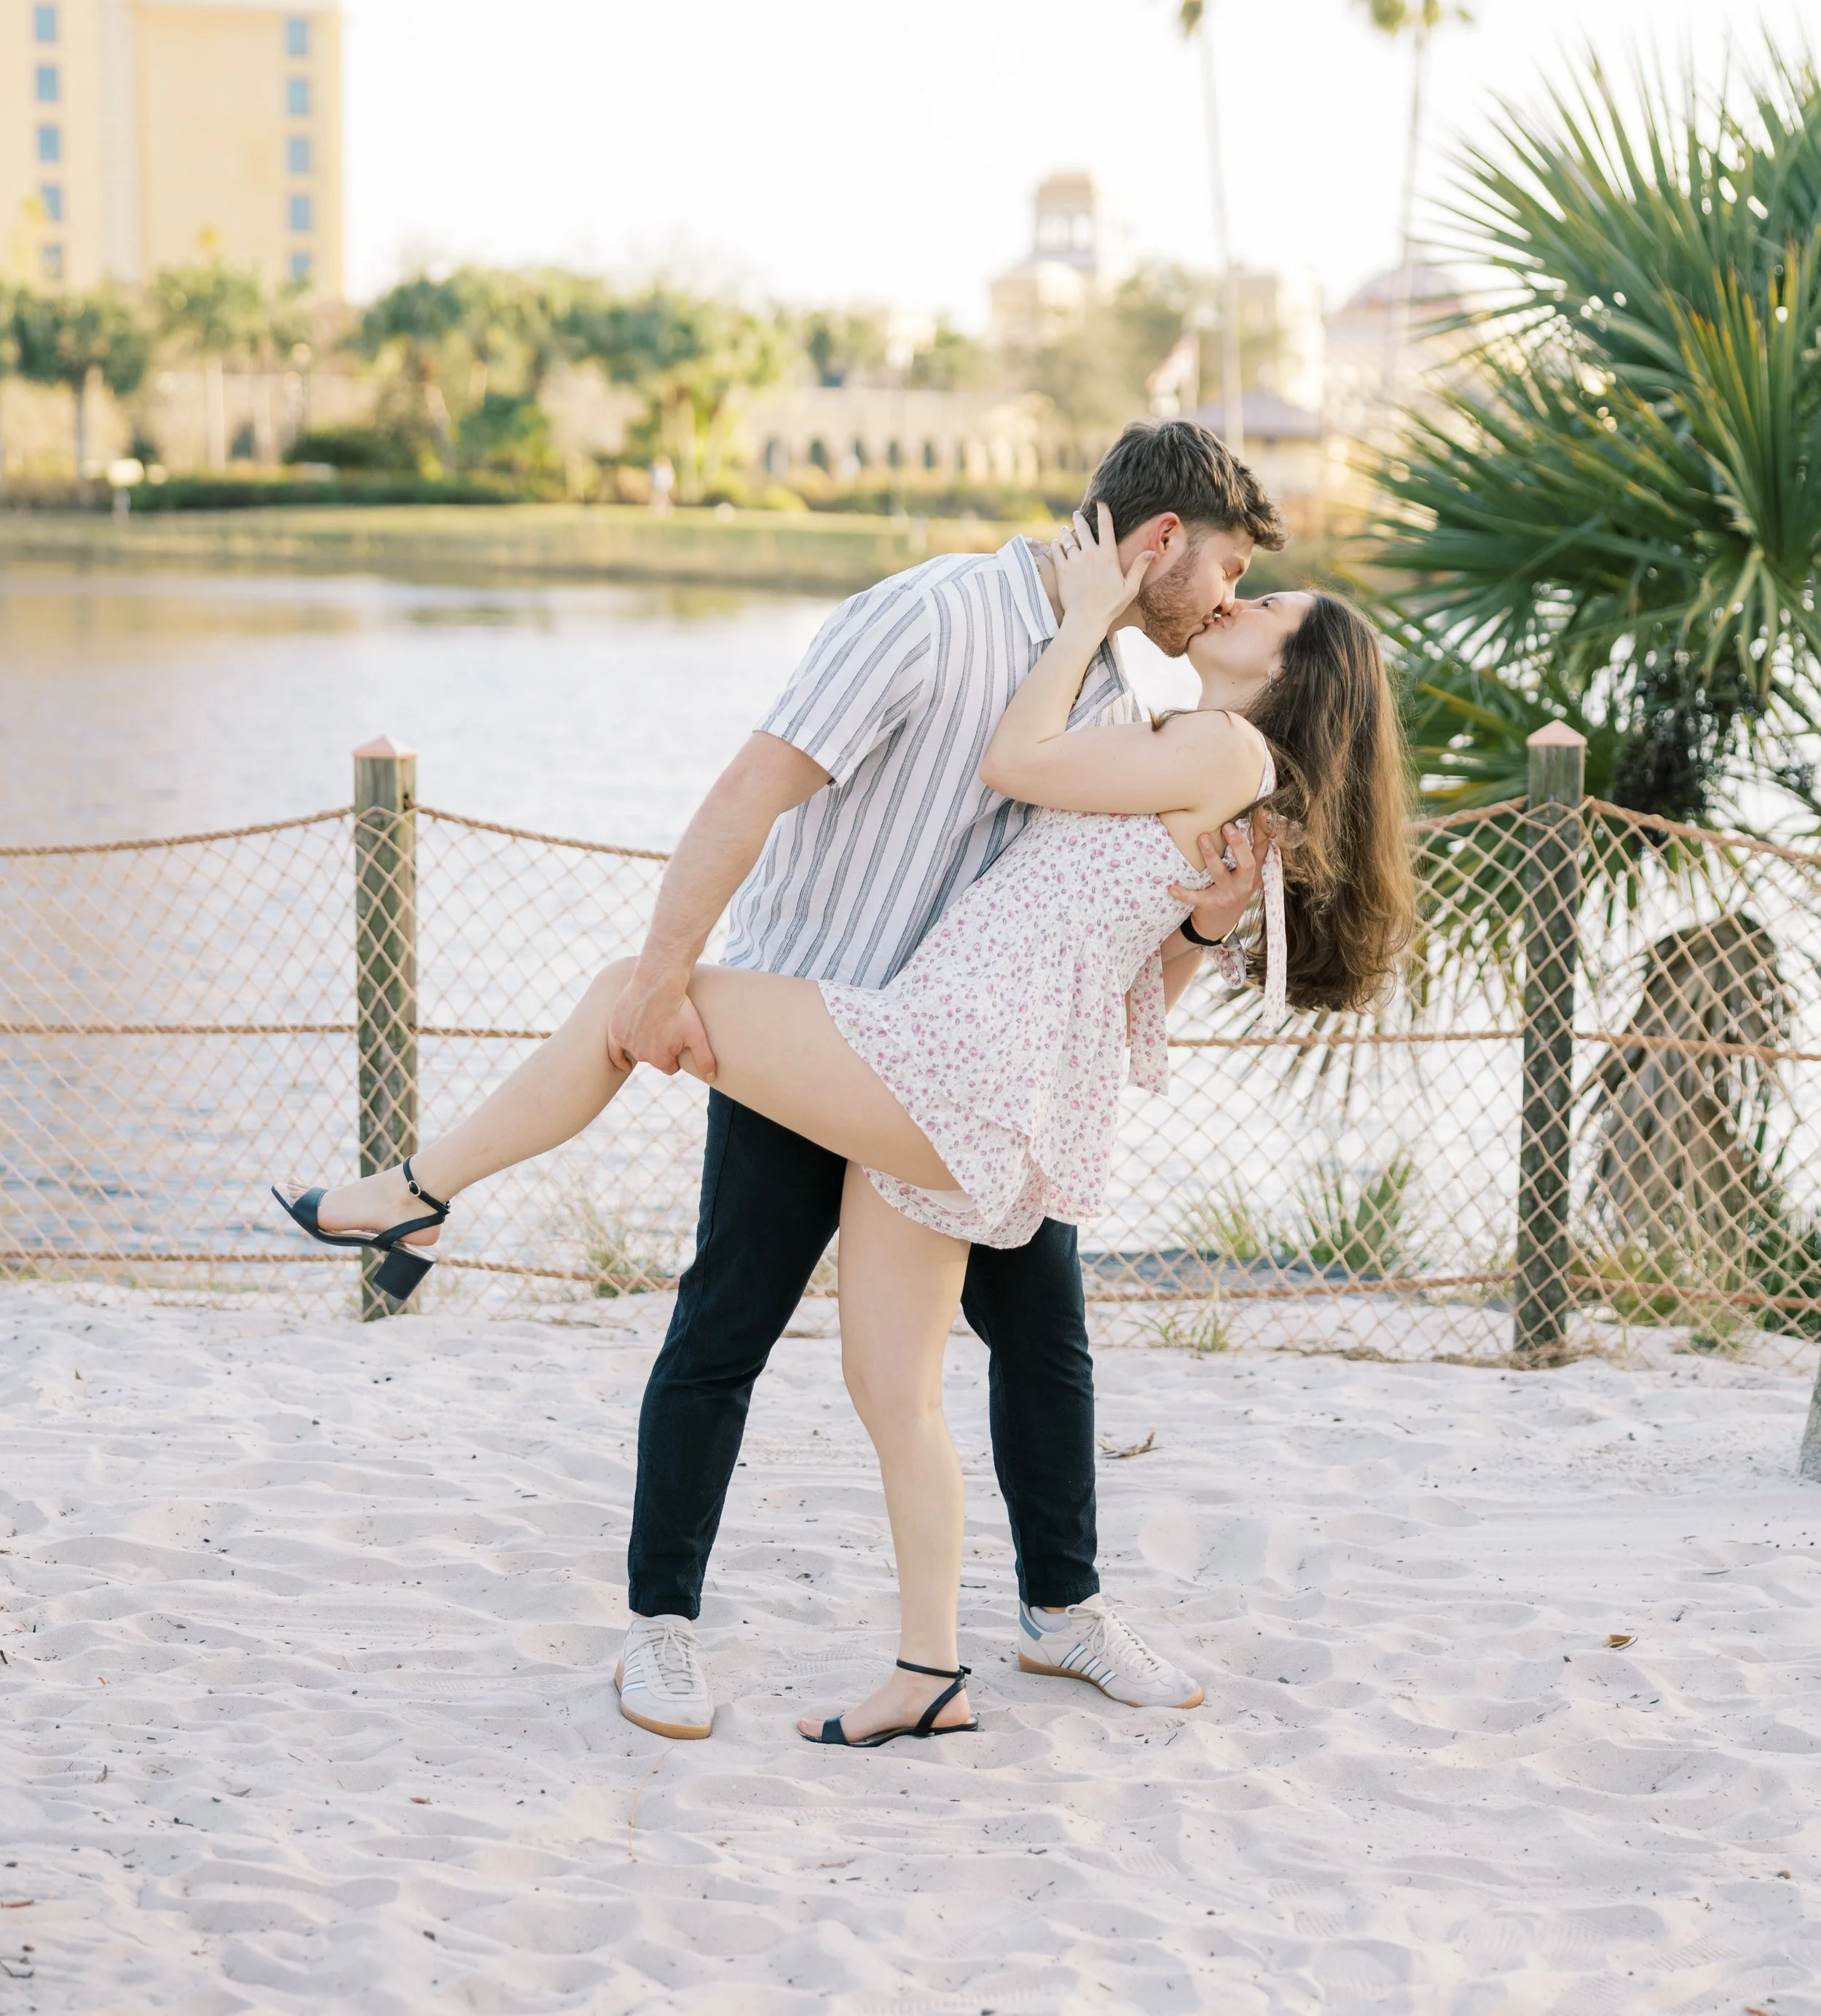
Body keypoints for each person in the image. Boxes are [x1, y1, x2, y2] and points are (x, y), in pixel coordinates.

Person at [280, 420, 1291, 1737]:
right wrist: (663, 975)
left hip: (955, 1061)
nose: (1225, 598)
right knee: (726, 1326)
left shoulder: (1112, 698)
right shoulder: (930, 615)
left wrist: (1207, 930)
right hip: (810, 1017)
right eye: (1225, 569)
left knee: (1043, 1340)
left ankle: (1060, 1615)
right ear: (1160, 540)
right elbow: (749, 791)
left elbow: (1103, 945)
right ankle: (664, 1627)